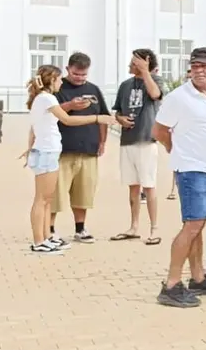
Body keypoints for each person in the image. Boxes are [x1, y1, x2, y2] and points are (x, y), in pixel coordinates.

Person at [152, 47, 206, 307]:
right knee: (192, 225)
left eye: (204, 66)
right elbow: (159, 130)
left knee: (198, 224)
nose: (199, 70)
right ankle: (172, 284)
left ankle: (198, 277)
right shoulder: (178, 97)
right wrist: (176, 151)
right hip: (191, 168)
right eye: (195, 65)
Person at [21, 65, 115, 254]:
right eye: (58, 79)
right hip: (46, 152)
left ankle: (47, 236)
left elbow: (35, 128)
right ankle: (39, 241)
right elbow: (68, 120)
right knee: (41, 199)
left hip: (49, 152)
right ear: (51, 80)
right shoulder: (46, 98)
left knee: (47, 199)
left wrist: (29, 148)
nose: (61, 82)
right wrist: (97, 118)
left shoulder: (43, 99)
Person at [51, 51, 109, 244]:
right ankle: (50, 229)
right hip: (62, 150)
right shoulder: (57, 88)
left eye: (84, 74)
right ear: (68, 69)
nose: (80, 78)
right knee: (56, 192)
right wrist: (70, 105)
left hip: (88, 149)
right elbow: (51, 112)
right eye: (76, 74)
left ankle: (80, 228)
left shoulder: (94, 89)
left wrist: (102, 142)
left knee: (84, 192)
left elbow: (103, 117)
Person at [110, 49, 165, 245]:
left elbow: (155, 94)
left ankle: (154, 227)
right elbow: (116, 111)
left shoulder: (155, 80)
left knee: (149, 185)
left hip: (146, 140)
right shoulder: (125, 85)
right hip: (127, 140)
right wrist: (120, 119)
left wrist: (145, 72)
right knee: (133, 186)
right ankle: (133, 226)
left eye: (134, 62)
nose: (130, 65)